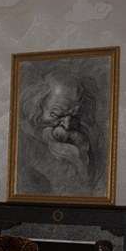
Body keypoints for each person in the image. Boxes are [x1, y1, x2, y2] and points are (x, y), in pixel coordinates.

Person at [16, 66, 106, 195]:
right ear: (35, 109)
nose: (67, 126)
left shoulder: (92, 138)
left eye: (74, 115)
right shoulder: (21, 142)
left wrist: (81, 163)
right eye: (56, 115)